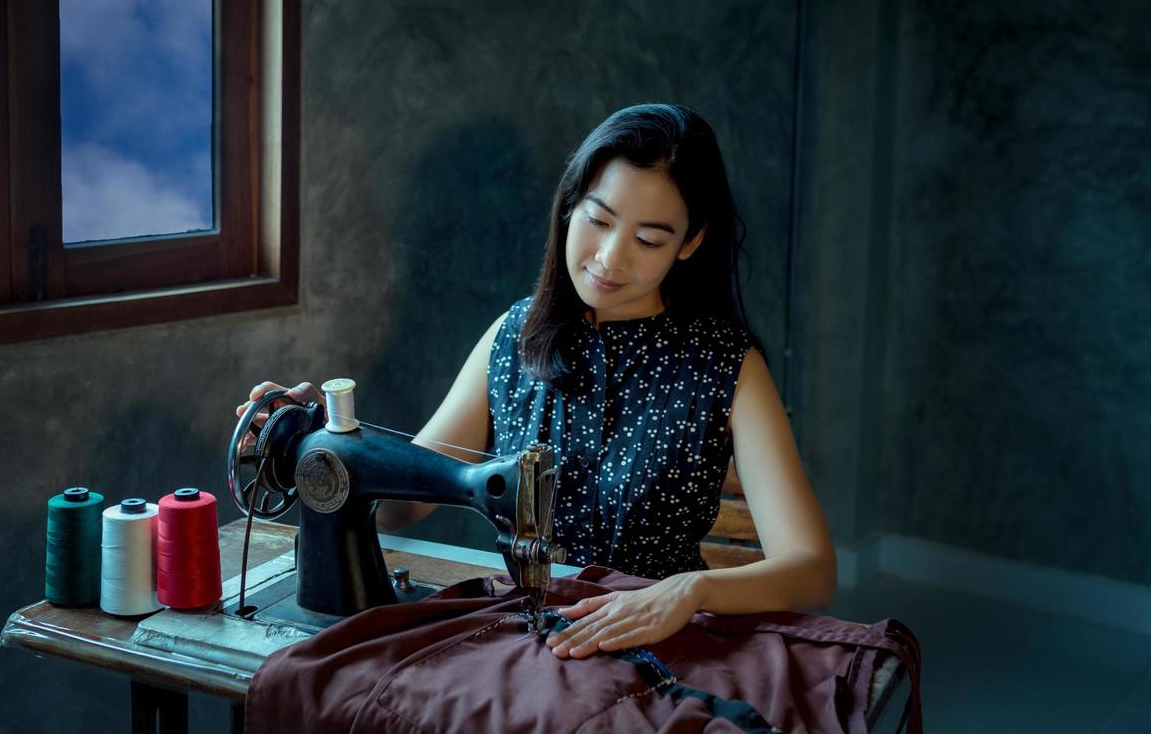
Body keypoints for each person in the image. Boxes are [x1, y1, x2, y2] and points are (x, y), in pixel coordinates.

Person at [238, 103, 835, 660]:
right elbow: (399, 508)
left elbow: (812, 570)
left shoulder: (726, 364)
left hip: (658, 643)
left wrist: (688, 591)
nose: (609, 258)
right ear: (570, 205)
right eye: (598, 220)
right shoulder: (515, 337)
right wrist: (322, 444)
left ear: (691, 242)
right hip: (525, 640)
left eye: (649, 239)